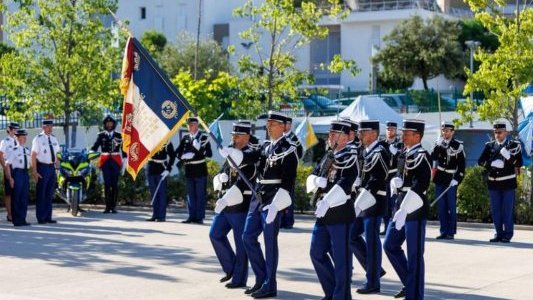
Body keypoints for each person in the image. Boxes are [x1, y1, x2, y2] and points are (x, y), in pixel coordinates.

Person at [242, 111, 298, 299]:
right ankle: (261, 278)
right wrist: (234, 153)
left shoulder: (289, 150)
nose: (269, 126)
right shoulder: (266, 146)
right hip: (258, 198)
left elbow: (288, 182)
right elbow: (251, 155)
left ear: (283, 126)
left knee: (269, 243)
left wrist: (276, 205)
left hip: (273, 199)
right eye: (268, 123)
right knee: (247, 237)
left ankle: (270, 284)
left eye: (273, 123)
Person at [307, 120, 357, 300]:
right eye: (330, 134)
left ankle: (341, 296)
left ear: (345, 138)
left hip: (340, 214)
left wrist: (327, 201)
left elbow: (345, 183)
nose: (331, 137)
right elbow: (313, 174)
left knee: (342, 260)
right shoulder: (328, 156)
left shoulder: (350, 157)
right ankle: (331, 292)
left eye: (335, 135)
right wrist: (314, 181)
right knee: (316, 252)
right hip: (323, 214)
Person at [384, 119, 431, 299]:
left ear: (417, 135)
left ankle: (415, 295)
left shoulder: (422, 155)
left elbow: (422, 184)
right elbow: (400, 172)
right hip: (399, 206)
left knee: (415, 254)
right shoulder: (404, 152)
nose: (402, 135)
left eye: (406, 133)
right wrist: (395, 181)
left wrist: (405, 208)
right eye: (403, 132)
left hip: (414, 209)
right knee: (390, 244)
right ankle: (409, 283)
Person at [210, 122, 259, 289]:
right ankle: (230, 268)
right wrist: (219, 178)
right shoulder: (231, 150)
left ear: (246, 137)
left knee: (240, 244)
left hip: (240, 203)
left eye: (237, 135)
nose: (234, 138)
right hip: (226, 202)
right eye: (233, 135)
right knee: (215, 234)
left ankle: (239, 278)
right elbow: (225, 170)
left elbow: (243, 182)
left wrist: (226, 198)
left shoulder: (249, 154)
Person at [351, 120, 389, 295]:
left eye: (363, 132)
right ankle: (373, 269)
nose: (359, 135)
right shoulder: (364, 151)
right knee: (352, 236)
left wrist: (363, 191)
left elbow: (378, 179)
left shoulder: (380, 152)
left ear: (373, 134)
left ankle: (373, 282)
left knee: (372, 242)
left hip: (373, 203)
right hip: (362, 200)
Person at [478, 121, 522, 243]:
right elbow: (480, 161)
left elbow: (519, 163)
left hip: (508, 183)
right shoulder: (489, 145)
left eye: (500, 132)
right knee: (496, 210)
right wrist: (491, 164)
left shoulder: (513, 145)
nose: (498, 135)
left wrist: (509, 157)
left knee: (507, 211)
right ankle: (498, 233)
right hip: (494, 183)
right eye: (496, 132)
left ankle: (507, 235)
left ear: (506, 132)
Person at [431, 121, 465, 240]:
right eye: (443, 130)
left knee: (451, 207)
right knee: (441, 207)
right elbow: (433, 158)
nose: (445, 133)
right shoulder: (438, 143)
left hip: (451, 179)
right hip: (440, 177)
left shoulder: (458, 146)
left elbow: (461, 166)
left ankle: (451, 232)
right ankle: (443, 231)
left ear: (452, 132)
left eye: (447, 131)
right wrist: (437, 146)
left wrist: (457, 179)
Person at [175, 116, 212, 224]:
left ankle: (199, 217)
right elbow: (177, 152)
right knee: (190, 195)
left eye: (194, 125)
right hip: (189, 169)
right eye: (190, 125)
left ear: (197, 126)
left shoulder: (203, 138)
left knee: (200, 194)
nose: (192, 127)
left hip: (200, 169)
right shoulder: (186, 138)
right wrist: (184, 156)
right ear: (188, 126)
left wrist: (199, 148)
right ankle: (191, 216)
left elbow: (209, 154)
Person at [91, 115, 124, 214]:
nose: (109, 125)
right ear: (105, 125)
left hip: (115, 162)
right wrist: (89, 153)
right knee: (107, 184)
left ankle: (113, 207)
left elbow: (124, 149)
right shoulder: (101, 135)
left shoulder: (119, 135)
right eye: (107, 123)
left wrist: (125, 161)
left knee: (114, 185)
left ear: (114, 124)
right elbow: (95, 147)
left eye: (111, 123)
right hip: (105, 162)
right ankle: (107, 207)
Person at [31, 119, 60, 224]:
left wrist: (57, 166)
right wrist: (34, 171)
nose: (50, 128)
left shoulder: (54, 138)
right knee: (41, 193)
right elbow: (33, 155)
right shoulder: (38, 139)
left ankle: (48, 217)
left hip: (51, 168)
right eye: (48, 126)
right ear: (43, 127)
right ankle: (41, 218)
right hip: (42, 167)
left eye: (51, 126)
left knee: (49, 194)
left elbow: (57, 154)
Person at [279, 116, 303, 229]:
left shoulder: (294, 138)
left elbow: (300, 153)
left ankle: (288, 220)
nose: (285, 126)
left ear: (289, 125)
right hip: (279, 172)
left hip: (289, 171)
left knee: (289, 196)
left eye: (286, 124)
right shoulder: (280, 137)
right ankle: (280, 220)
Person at [4, 129, 31, 227]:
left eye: (25, 137)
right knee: (17, 197)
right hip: (17, 173)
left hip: (25, 174)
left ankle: (22, 219)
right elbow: (7, 164)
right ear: (18, 138)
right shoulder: (14, 150)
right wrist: (10, 178)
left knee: (24, 197)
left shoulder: (27, 150)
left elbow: (29, 164)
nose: (25, 139)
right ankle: (16, 220)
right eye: (22, 137)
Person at [380, 121, 403, 235]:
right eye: (388, 129)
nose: (390, 131)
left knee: (393, 203)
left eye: (392, 129)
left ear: (396, 130)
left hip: (394, 176)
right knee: (384, 204)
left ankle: (392, 227)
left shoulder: (400, 144)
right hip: (383, 176)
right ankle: (386, 227)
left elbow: (404, 158)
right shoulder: (381, 144)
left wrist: (397, 152)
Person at [146, 142, 175, 222]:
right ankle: (155, 214)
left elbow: (172, 156)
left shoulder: (167, 142)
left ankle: (161, 216)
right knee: (153, 192)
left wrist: (168, 169)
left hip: (161, 168)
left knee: (161, 193)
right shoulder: (149, 140)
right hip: (151, 167)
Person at [0, 122, 19, 222]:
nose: (17, 131)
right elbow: (1, 155)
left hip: (17, 168)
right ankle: (10, 214)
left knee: (17, 191)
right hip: (9, 167)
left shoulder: (17, 141)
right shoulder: (5, 141)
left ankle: (16, 212)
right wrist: (5, 168)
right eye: (15, 129)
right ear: (10, 130)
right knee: (9, 193)